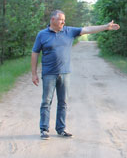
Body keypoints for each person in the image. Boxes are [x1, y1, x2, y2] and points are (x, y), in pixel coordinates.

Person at [31, 10, 120, 140]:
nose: (63, 22)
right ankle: (44, 129)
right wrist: (34, 74)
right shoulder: (42, 35)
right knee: (46, 102)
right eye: (61, 19)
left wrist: (105, 27)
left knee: (63, 102)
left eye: (64, 19)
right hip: (49, 74)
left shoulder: (69, 31)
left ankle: (61, 129)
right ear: (53, 20)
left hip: (65, 73)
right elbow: (35, 53)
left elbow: (88, 29)